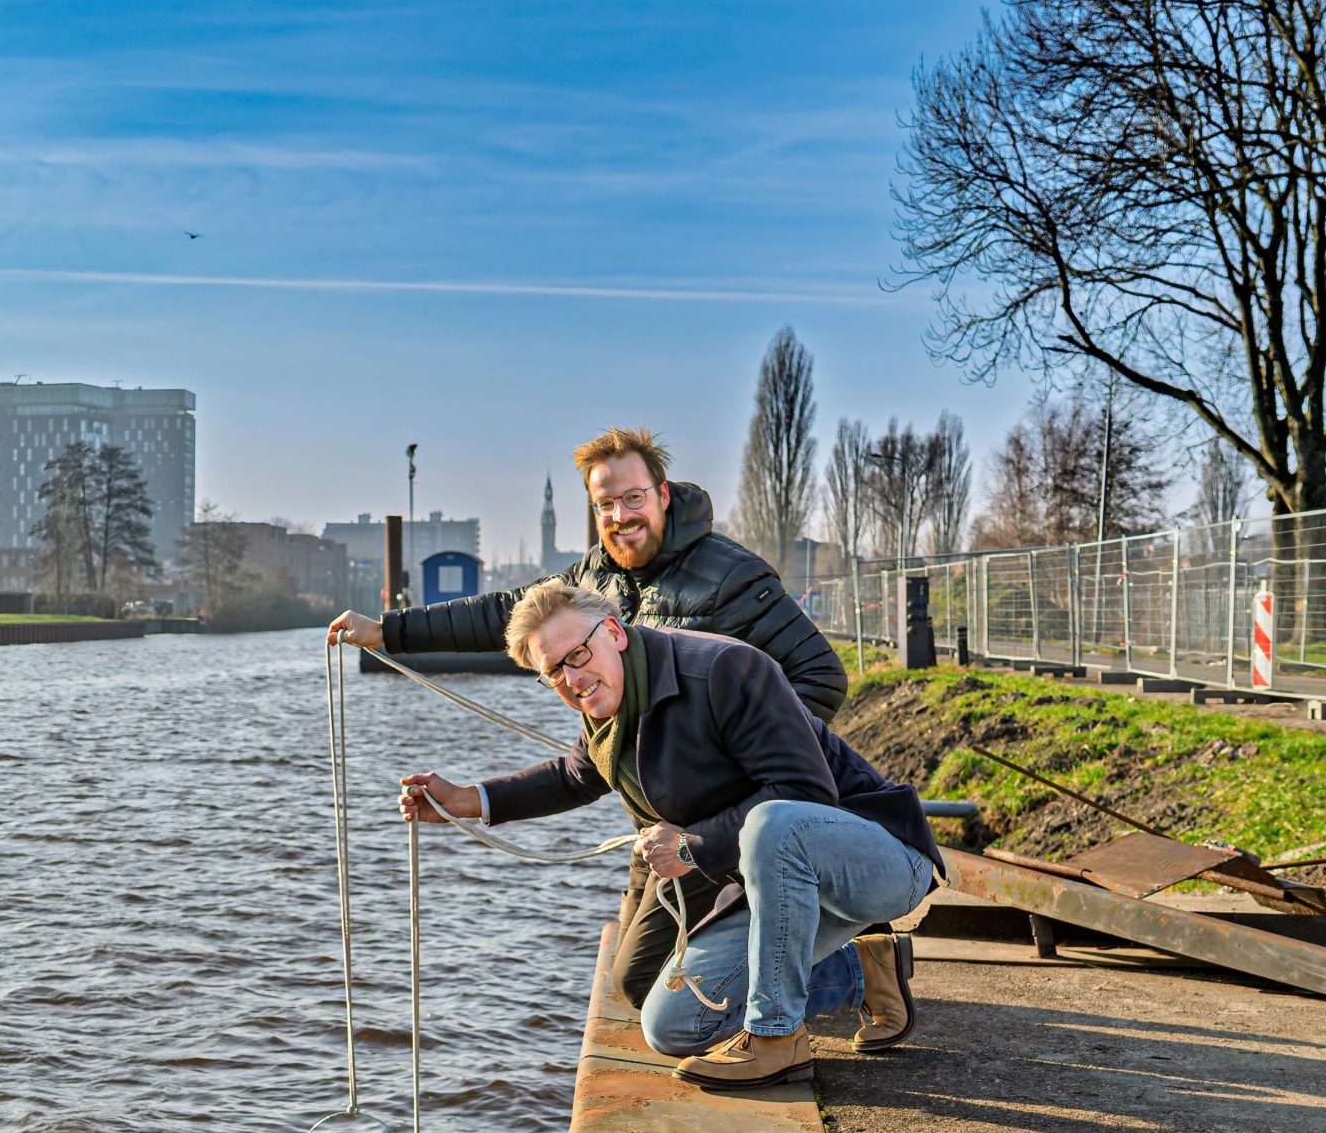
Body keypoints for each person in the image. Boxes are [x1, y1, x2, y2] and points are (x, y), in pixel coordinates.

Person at [330, 427, 849, 1021]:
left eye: (632, 498)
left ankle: (837, 970)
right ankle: (806, 957)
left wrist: (739, 775)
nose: (619, 516)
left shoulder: (733, 577)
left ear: (663, 496)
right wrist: (388, 633)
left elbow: (821, 677)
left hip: (729, 813)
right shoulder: (594, 581)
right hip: (654, 810)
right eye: (604, 504)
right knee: (636, 985)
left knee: (658, 985)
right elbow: (504, 617)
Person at [396, 582, 940, 1089]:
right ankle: (862, 970)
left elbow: (806, 793)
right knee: (662, 1012)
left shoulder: (724, 669)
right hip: (765, 880)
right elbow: (576, 775)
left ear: (611, 631)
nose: (572, 679)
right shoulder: (610, 698)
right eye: (554, 672)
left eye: (576, 656)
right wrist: (466, 800)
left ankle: (777, 1037)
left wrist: (688, 846)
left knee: (773, 821)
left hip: (876, 859)